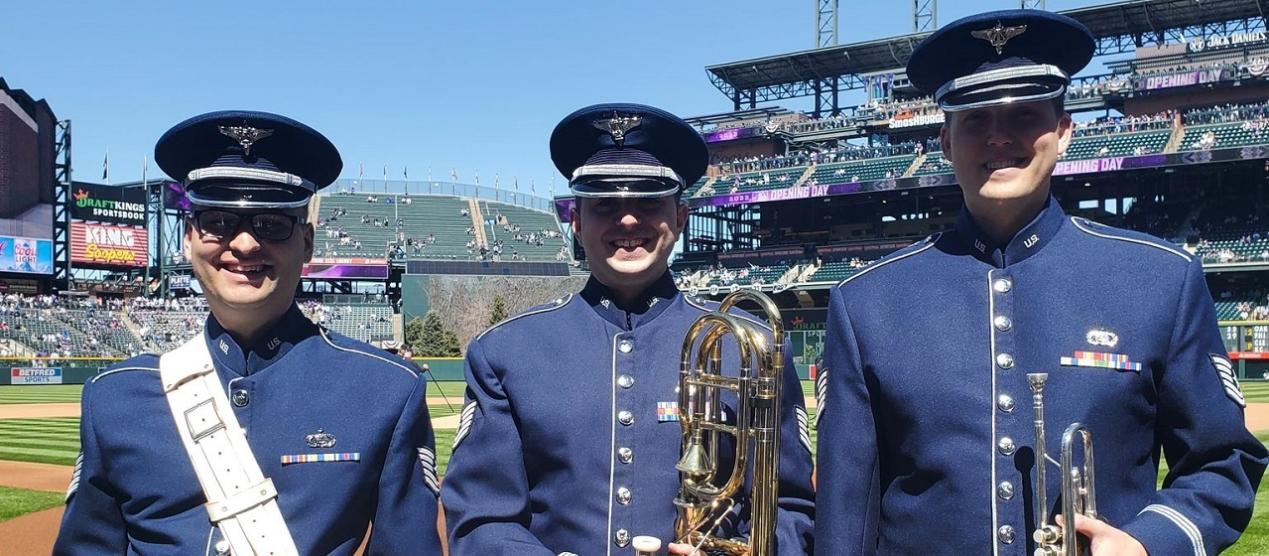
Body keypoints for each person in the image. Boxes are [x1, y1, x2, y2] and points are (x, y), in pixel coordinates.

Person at [815, 10, 1267, 556]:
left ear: (1063, 132)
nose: (1000, 136)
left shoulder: (1160, 279)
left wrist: (1148, 543)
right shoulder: (867, 303)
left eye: (1025, 116)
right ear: (944, 141)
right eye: (976, 118)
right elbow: (845, 510)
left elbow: (1222, 461)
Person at [53, 110, 443, 555]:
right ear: (188, 238)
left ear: (308, 243)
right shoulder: (113, 398)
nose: (243, 244)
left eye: (271, 223)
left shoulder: (385, 390)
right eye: (217, 221)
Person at [441, 103, 814, 554]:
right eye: (605, 205)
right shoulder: (506, 352)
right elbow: (481, 517)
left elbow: (791, 508)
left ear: (680, 218)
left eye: (649, 202)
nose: (629, 220)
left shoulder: (751, 346)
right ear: (576, 223)